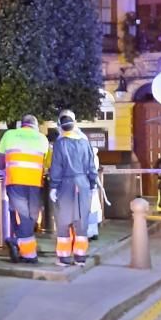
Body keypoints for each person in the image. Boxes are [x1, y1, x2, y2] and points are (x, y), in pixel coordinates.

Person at [0, 115, 50, 264]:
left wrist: (1, 171)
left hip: (15, 180)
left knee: (20, 216)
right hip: (34, 182)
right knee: (31, 217)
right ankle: (28, 253)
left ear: (22, 124)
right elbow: (47, 161)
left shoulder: (9, 135)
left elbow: (0, 158)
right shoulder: (42, 138)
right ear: (35, 125)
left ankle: (18, 243)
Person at [49, 110, 98, 266]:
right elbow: (91, 166)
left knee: (63, 220)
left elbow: (56, 167)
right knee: (81, 220)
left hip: (66, 184)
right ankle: (80, 257)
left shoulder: (60, 143)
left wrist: (53, 187)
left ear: (61, 127)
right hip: (83, 184)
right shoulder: (84, 142)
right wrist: (92, 184)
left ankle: (64, 257)